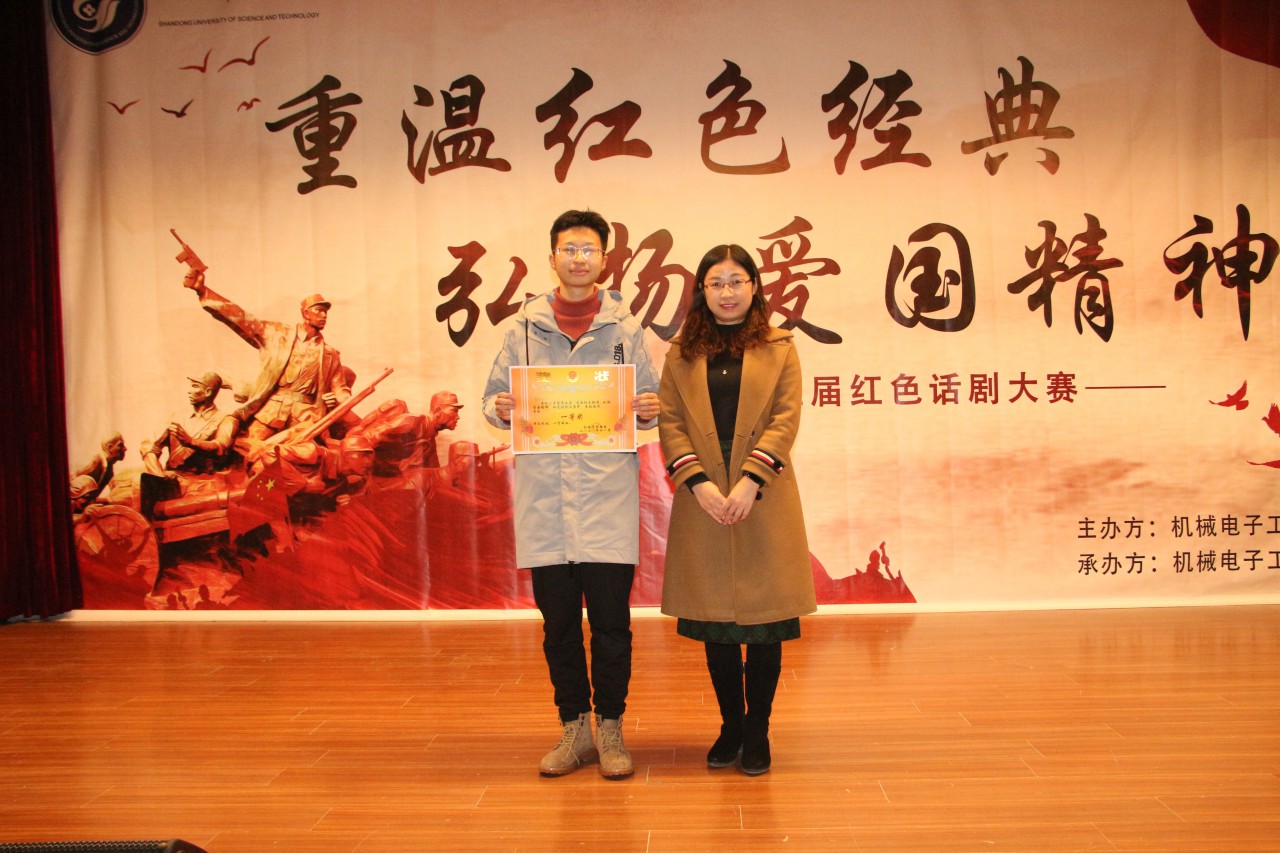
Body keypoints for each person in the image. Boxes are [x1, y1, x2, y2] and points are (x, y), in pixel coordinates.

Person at [482, 209, 661, 779]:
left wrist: (648, 407)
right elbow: (491, 399)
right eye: (569, 249)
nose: (579, 258)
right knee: (557, 625)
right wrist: (500, 407)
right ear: (552, 257)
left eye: (589, 249)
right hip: (546, 499)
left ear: (605, 259)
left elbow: (650, 400)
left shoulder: (625, 330)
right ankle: (573, 727)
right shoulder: (522, 329)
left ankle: (610, 727)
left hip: (606, 495)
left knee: (611, 624)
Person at [657, 244, 816, 776]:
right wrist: (698, 484)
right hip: (702, 496)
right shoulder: (681, 352)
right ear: (701, 291)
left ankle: (758, 731)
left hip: (762, 495)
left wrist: (750, 481)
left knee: (765, 622)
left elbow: (786, 418)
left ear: (754, 286)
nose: (726, 292)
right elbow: (670, 421)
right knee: (717, 624)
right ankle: (730, 726)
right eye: (715, 283)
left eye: (736, 281)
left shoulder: (780, 346)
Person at [183, 269, 351, 441]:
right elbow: (240, 318)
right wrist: (203, 291)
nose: (323, 315)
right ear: (305, 313)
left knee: (307, 451)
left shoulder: (330, 354)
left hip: (306, 416)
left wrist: (340, 400)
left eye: (325, 312)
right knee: (248, 446)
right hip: (271, 410)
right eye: (318, 310)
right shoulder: (277, 334)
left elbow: (341, 389)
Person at [140, 372, 238, 477]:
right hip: (172, 478)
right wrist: (158, 476)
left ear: (208, 392)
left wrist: (191, 442)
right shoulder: (176, 417)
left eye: (195, 386)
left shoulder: (226, 419)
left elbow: (220, 447)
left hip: (205, 480)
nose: (189, 391)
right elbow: (149, 446)